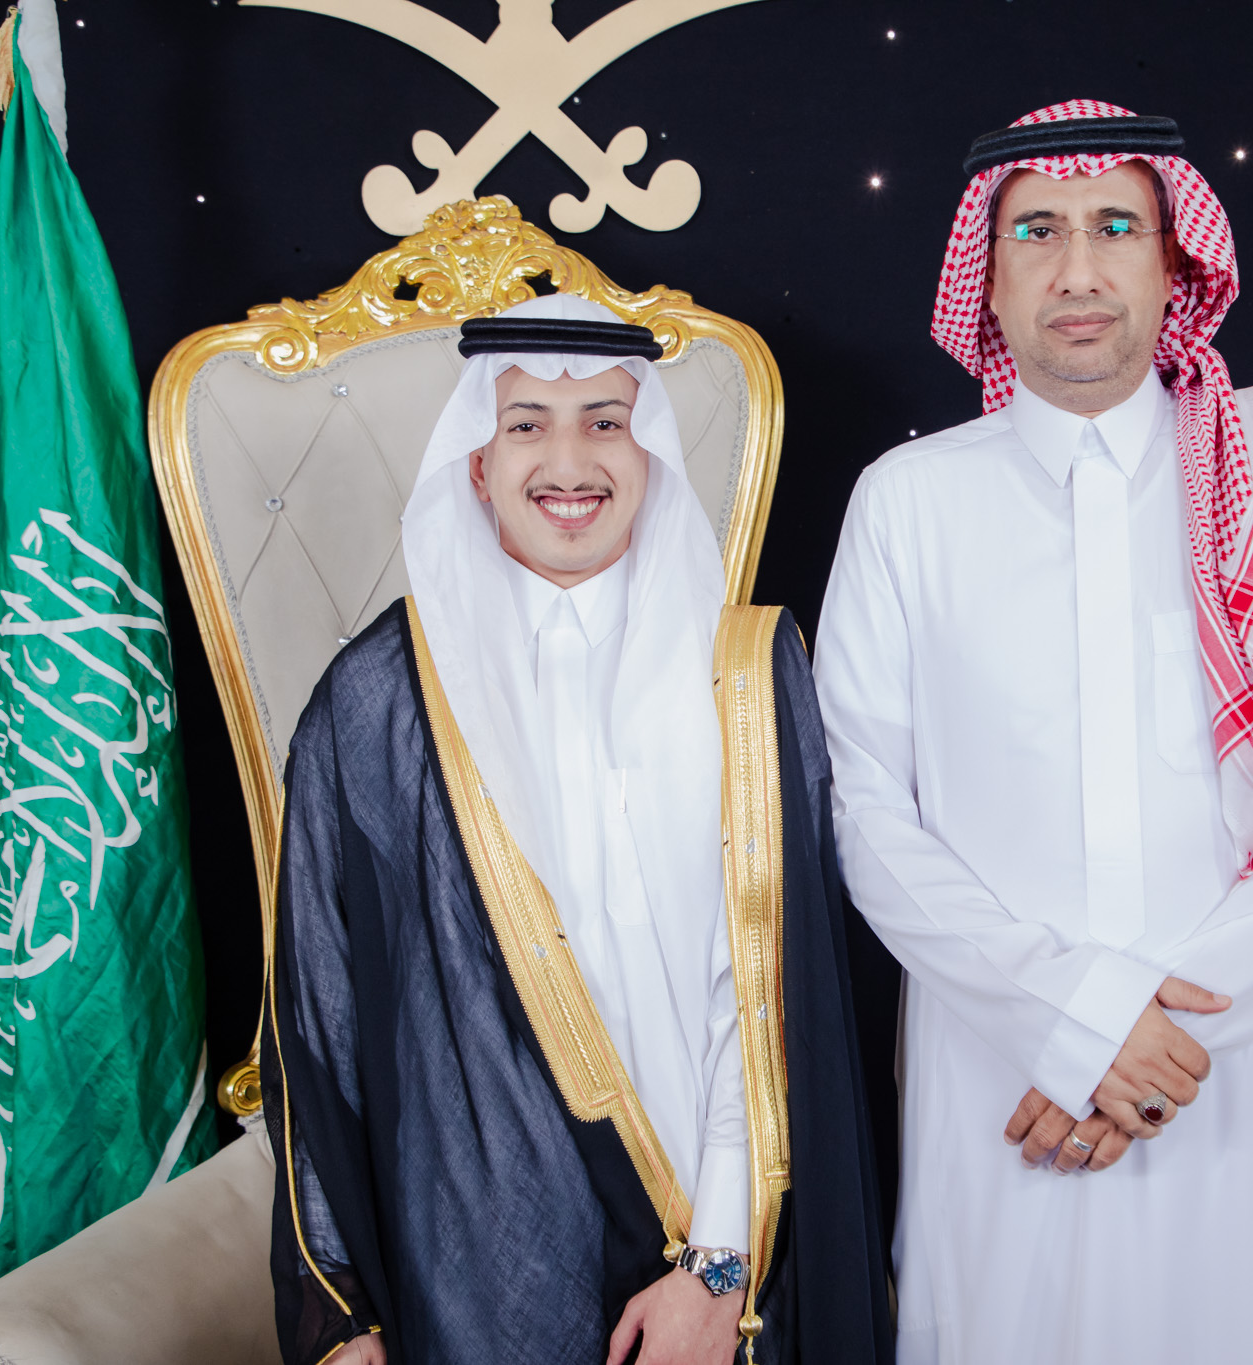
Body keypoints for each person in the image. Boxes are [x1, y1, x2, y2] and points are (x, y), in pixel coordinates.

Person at [813, 101, 1253, 1363]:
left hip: (1246, 1066)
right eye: (1035, 232)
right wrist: (1069, 1022)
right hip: (1006, 1075)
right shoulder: (904, 502)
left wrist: (1155, 1041)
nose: (1076, 271)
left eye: (1114, 227)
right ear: (985, 277)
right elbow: (865, 812)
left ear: (1174, 260)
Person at [266, 295, 891, 1365]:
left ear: (651, 456)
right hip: (476, 1269)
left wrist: (719, 1269)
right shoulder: (375, 705)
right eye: (527, 425)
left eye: (607, 421)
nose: (569, 460)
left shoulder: (746, 675)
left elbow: (769, 1006)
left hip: (733, 1256)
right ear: (476, 465)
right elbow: (317, 1028)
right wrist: (342, 1318)